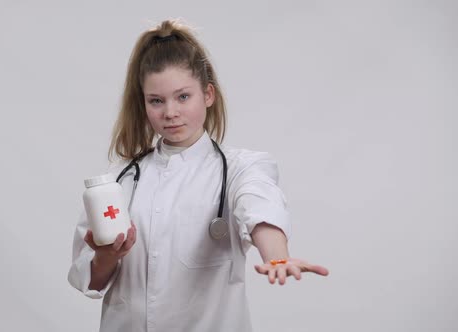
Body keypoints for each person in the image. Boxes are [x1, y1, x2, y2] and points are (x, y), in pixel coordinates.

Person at [68, 19, 329, 332]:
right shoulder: (117, 182)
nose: (170, 113)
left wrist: (278, 258)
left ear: (208, 94)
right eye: (156, 101)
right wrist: (106, 256)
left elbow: (260, 209)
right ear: (144, 104)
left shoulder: (240, 169)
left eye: (183, 97)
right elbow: (89, 280)